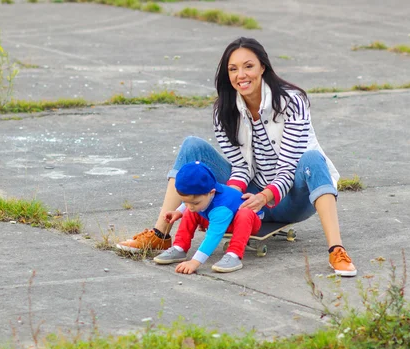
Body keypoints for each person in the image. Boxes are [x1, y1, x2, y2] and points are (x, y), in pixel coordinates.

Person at [117, 37, 357, 277]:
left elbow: (288, 167)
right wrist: (229, 200)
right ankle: (161, 234)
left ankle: (336, 249)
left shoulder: (292, 101)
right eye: (233, 69)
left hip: (292, 197)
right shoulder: (225, 111)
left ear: (263, 66)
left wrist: (264, 196)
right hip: (249, 196)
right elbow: (241, 168)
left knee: (313, 159)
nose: (241, 75)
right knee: (192, 146)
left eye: (248, 66)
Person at [151, 161, 262, 274]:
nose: (190, 206)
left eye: (195, 203)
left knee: (245, 213)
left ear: (211, 192)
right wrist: (179, 211)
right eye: (185, 201)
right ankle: (180, 247)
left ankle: (234, 255)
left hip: (247, 224)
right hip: (220, 219)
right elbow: (190, 202)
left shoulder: (221, 209)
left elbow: (213, 237)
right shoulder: (200, 198)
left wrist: (195, 262)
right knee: (191, 211)